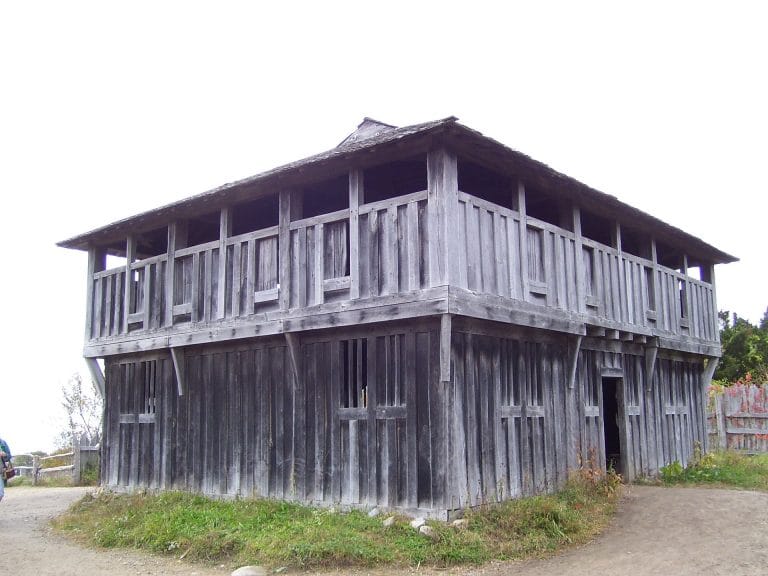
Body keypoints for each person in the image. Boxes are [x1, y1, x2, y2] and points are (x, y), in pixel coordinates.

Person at [0, 436, 11, 502]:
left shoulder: (2, 442)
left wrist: (4, 455)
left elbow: (9, 456)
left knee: (0, 493)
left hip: (0, 470)